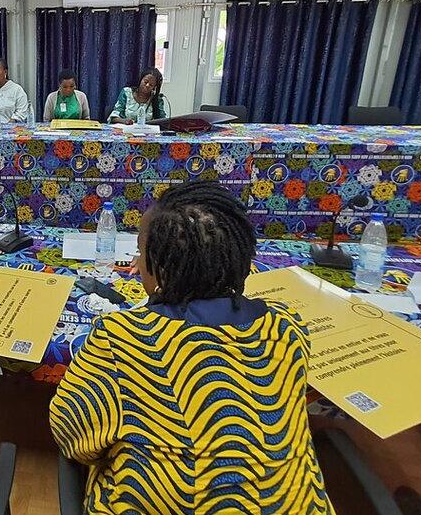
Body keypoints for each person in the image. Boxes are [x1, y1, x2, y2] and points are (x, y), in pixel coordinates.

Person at [50, 181, 331, 515]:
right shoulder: (286, 328)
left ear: (160, 270)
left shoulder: (118, 339)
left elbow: (72, 436)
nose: (137, 263)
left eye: (141, 252)